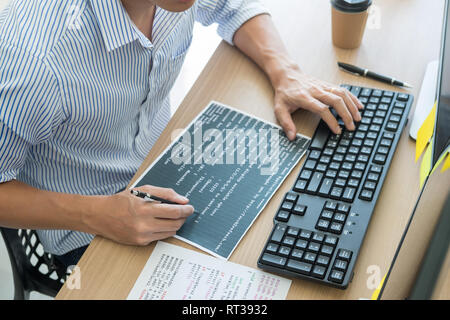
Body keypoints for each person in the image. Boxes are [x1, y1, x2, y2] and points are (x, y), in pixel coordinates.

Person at [0, 0, 363, 267]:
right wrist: (96, 214)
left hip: (171, 162)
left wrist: (285, 71)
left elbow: (231, 6)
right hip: (92, 228)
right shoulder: (33, 61)